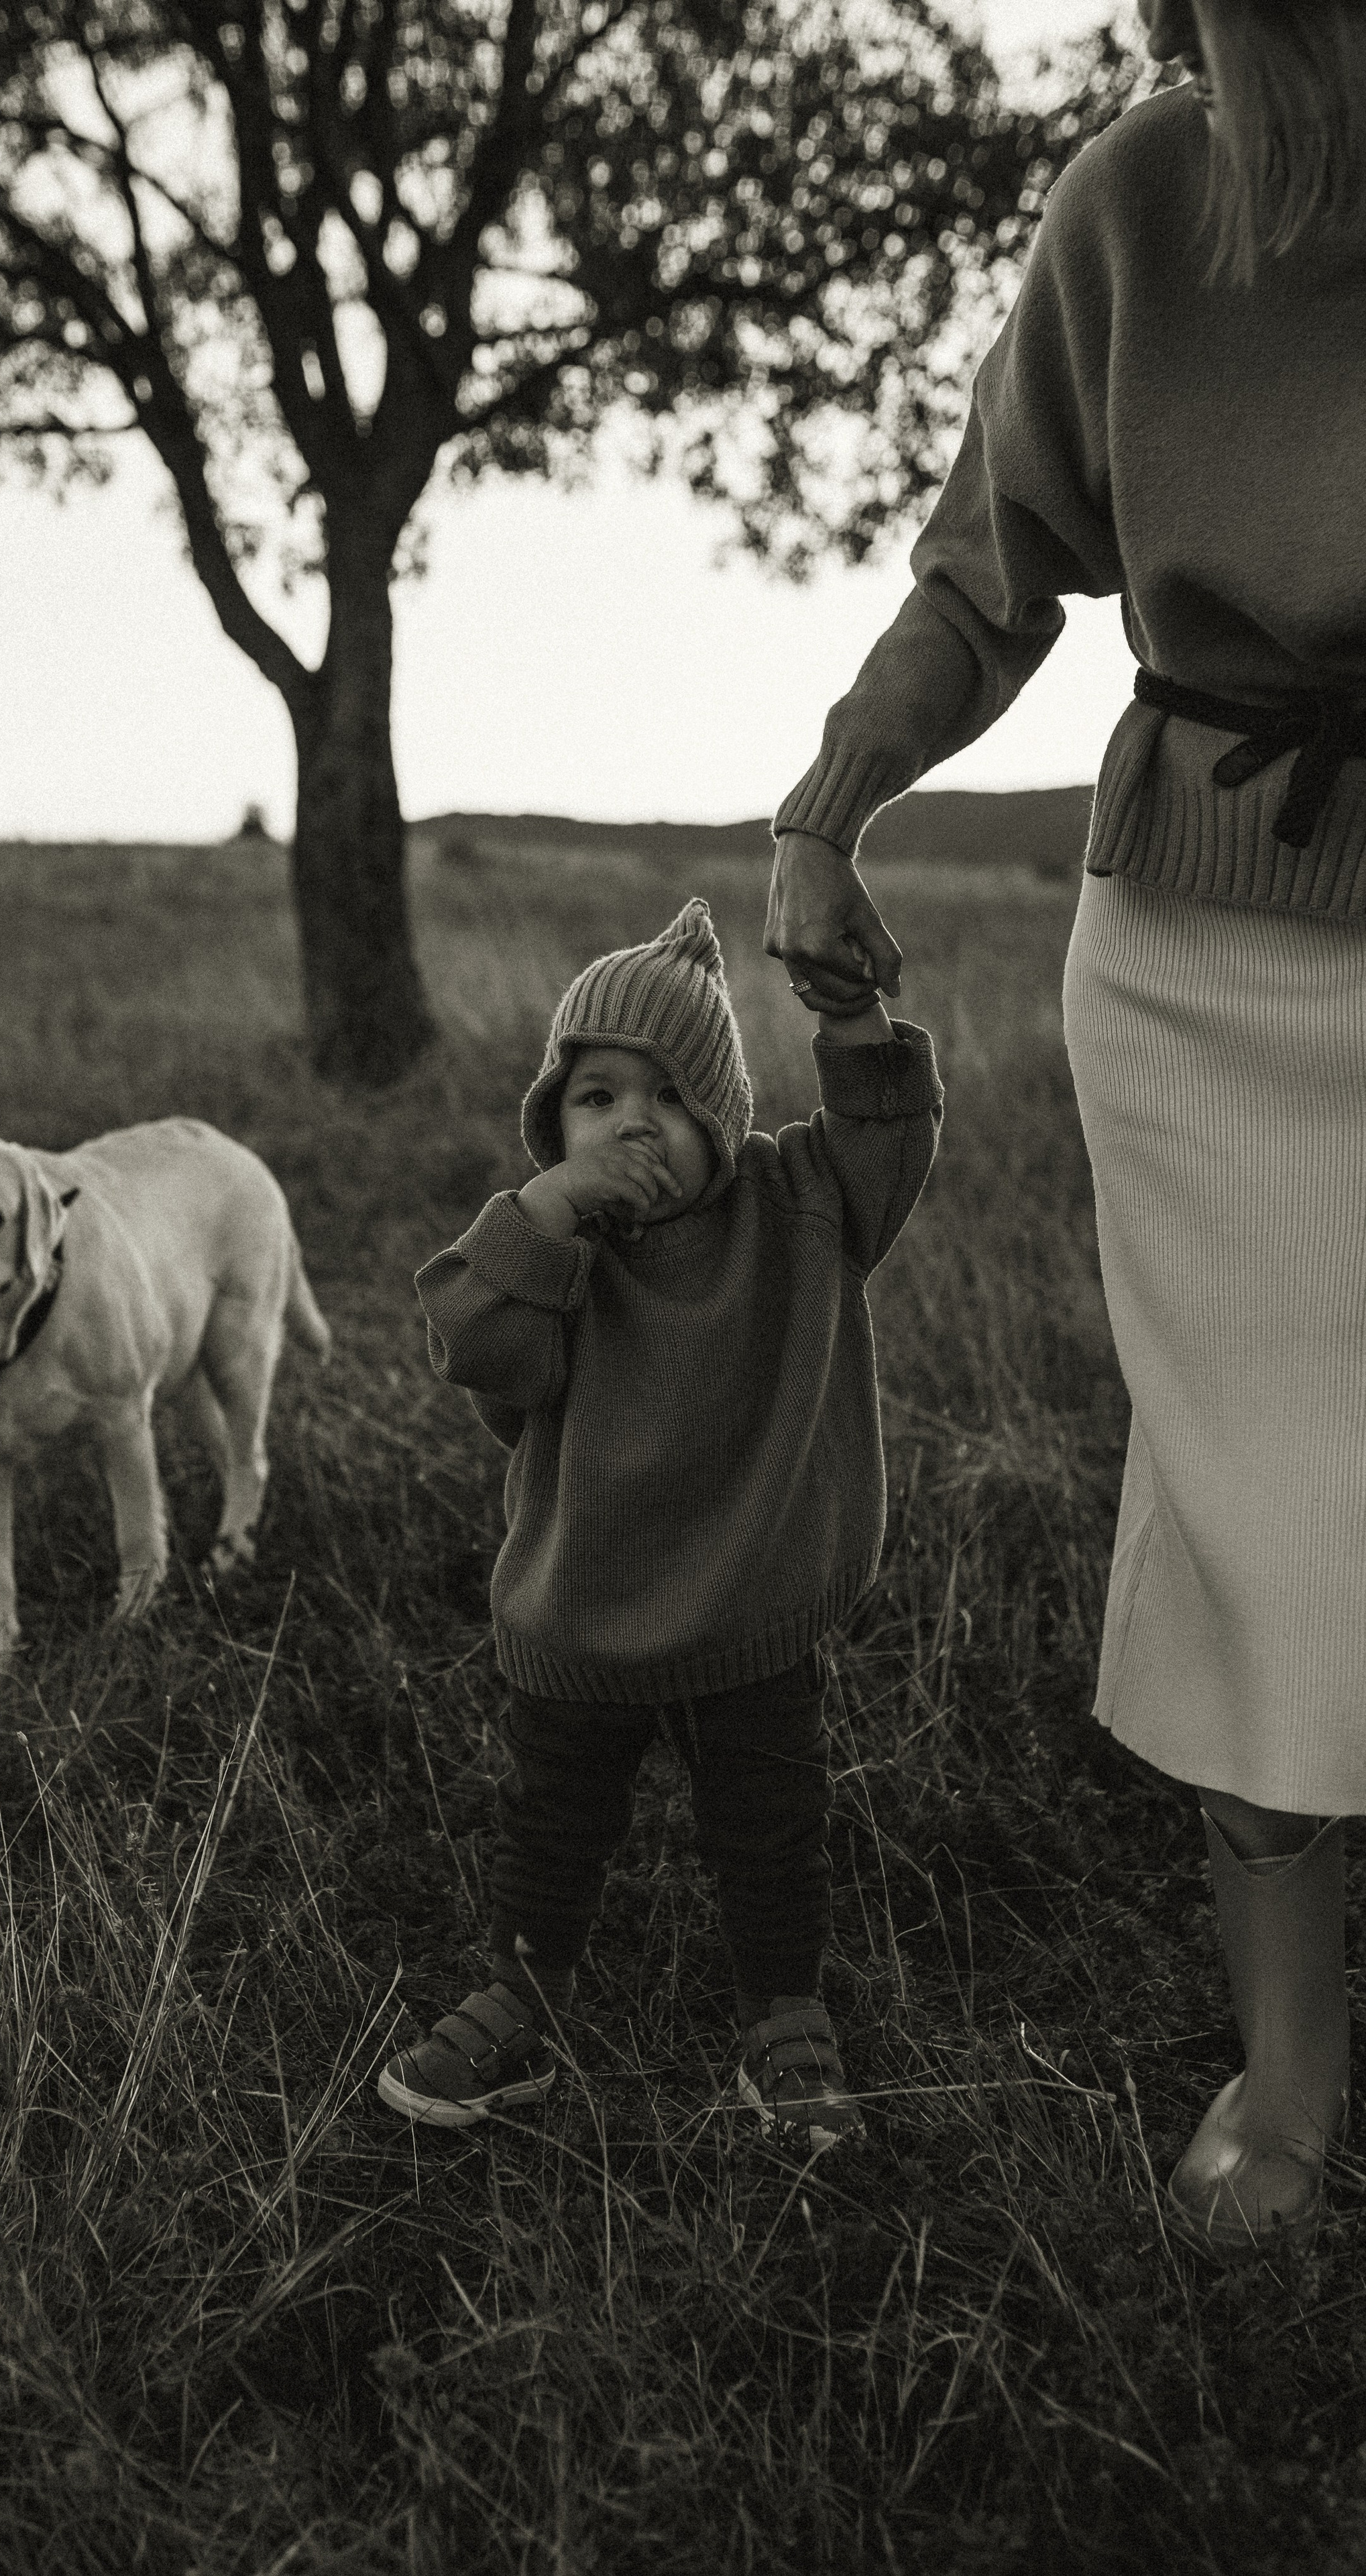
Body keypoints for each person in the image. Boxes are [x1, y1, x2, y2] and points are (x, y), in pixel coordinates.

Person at [762, 0, 1366, 2256]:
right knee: (1258, 1525)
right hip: (1207, 969)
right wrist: (830, 811)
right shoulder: (1135, 199)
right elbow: (989, 568)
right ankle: (1293, 2094)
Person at [376, 898, 942, 2146]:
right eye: (594, 1098)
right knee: (554, 1818)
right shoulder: (550, 1252)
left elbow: (885, 1138)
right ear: (552, 1125)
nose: (632, 1123)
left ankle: (781, 2016)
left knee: (770, 1824)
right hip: (580, 1607)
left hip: (754, 1601)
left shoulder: (796, 1210)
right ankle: (527, 1989)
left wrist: (851, 1015)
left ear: (723, 1118)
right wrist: (548, 1213)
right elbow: (476, 1345)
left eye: (670, 1098)